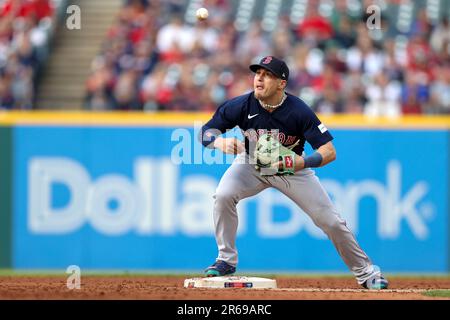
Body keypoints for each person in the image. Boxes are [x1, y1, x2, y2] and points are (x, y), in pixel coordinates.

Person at [199, 56, 389, 290]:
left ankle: (368, 273)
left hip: (290, 168)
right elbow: (205, 132)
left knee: (330, 221)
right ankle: (226, 260)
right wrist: (219, 143)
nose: (259, 78)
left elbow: (329, 151)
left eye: (267, 74)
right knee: (223, 195)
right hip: (250, 162)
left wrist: (303, 162)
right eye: (258, 73)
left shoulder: (298, 110)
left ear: (281, 83)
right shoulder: (241, 105)